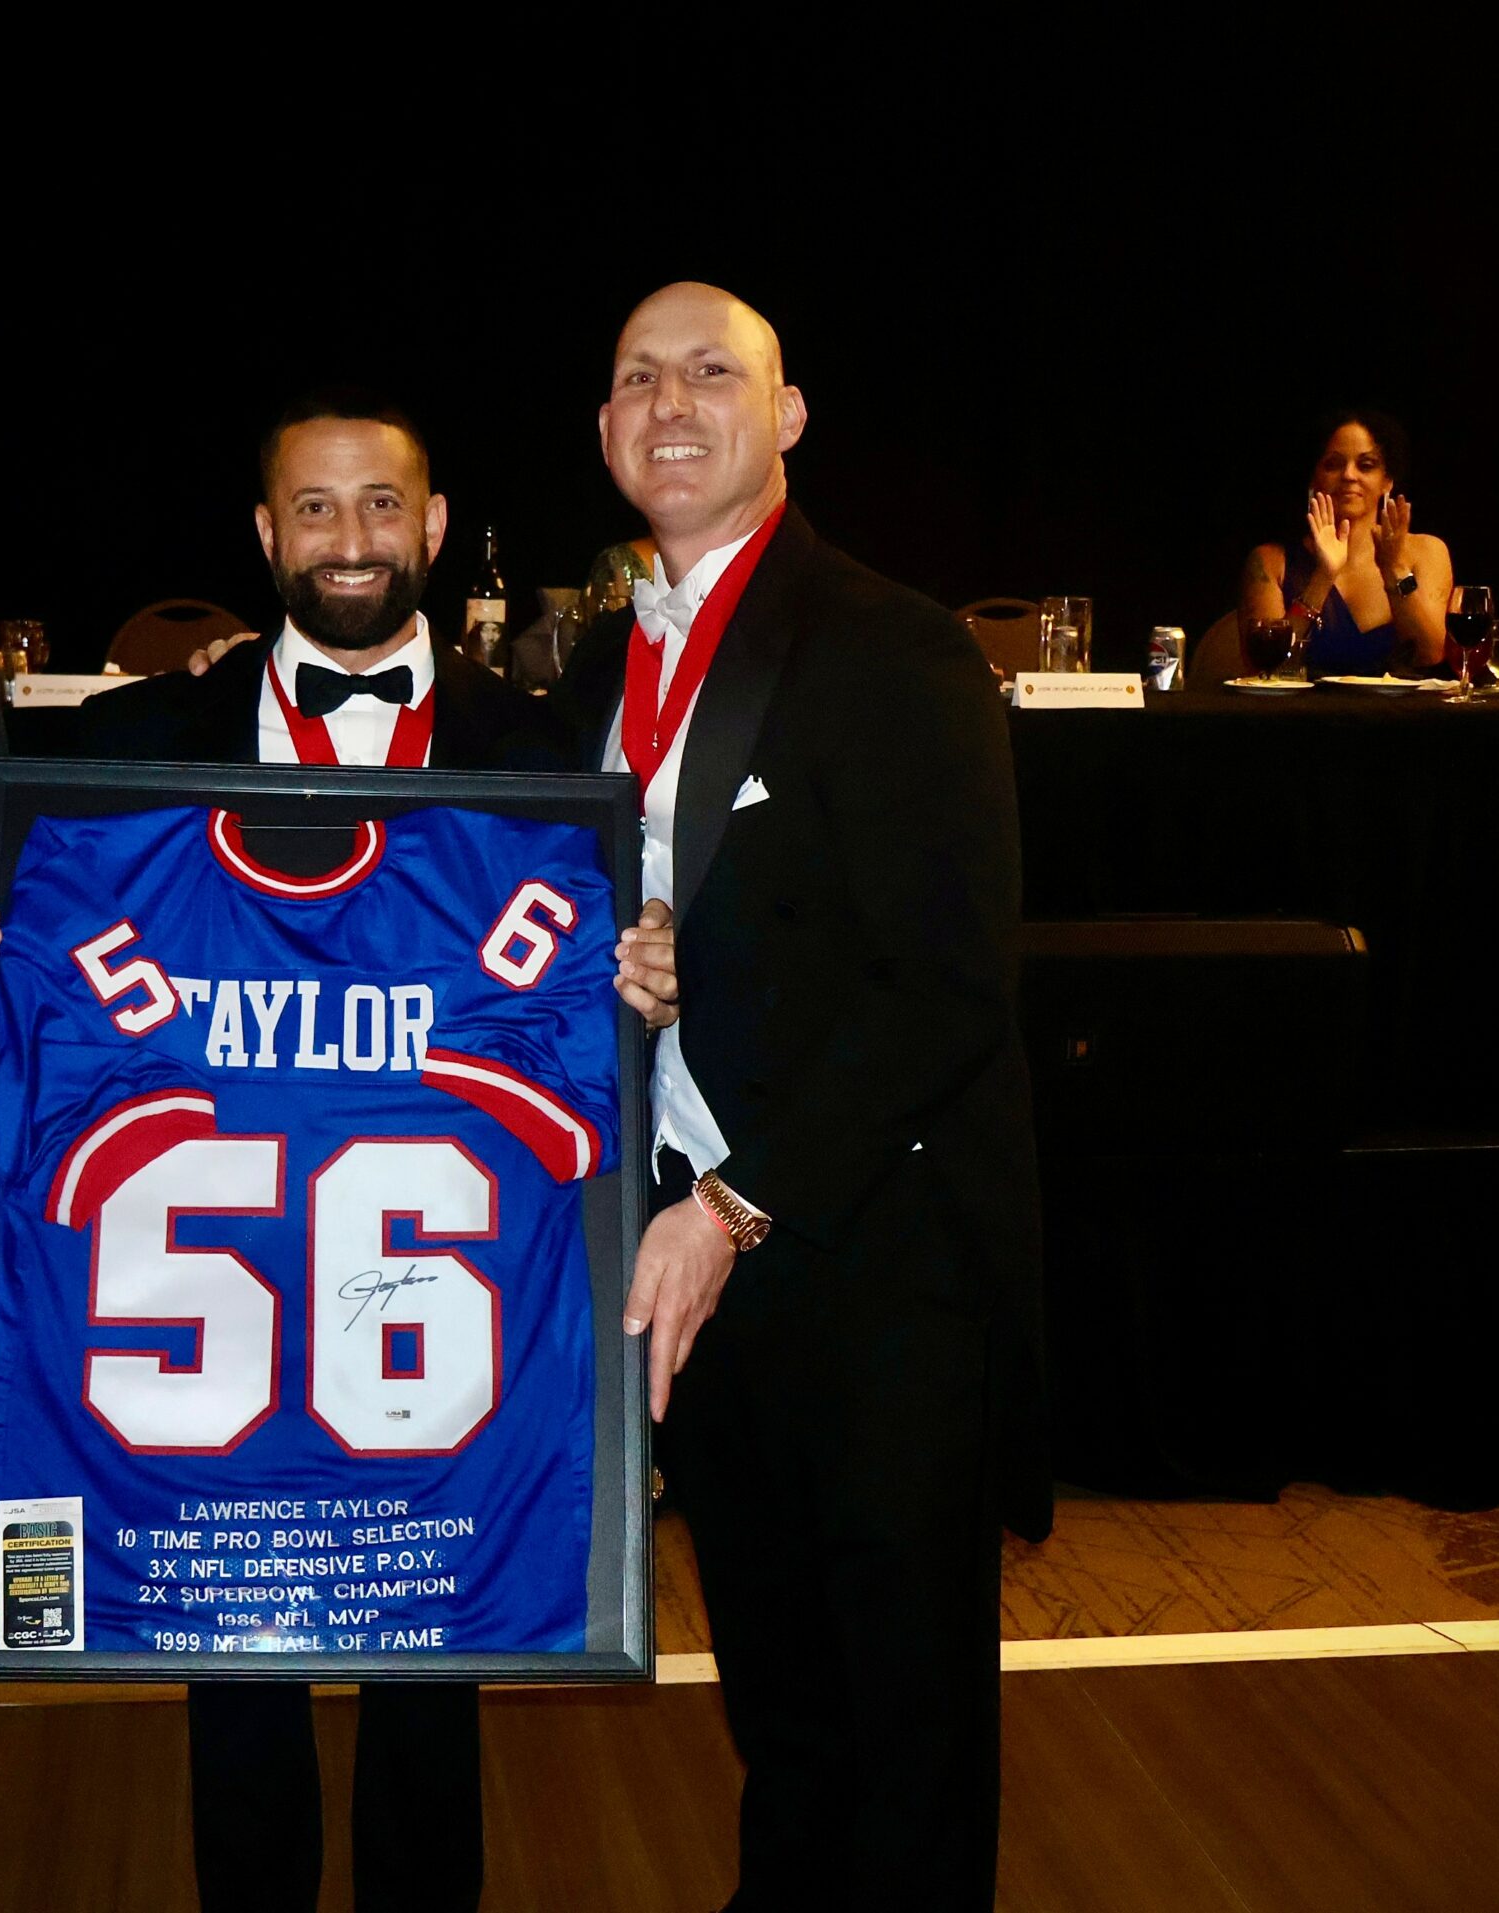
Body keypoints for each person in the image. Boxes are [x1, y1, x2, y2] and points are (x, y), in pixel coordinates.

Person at [0, 387, 675, 1913]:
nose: (352, 542)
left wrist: (647, 978)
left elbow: (607, 1017)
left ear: (436, 526)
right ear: (265, 536)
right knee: (229, 1647)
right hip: (216, 1303)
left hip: (424, 1313)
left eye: (382, 505)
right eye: (316, 510)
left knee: (436, 1649)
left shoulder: (543, 761)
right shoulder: (123, 751)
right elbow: (29, 977)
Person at [554, 282, 1047, 1908]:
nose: (671, 401)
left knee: (905, 1736)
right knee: (782, 1711)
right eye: (638, 376)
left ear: (791, 414)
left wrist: (737, 1197)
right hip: (705, 1271)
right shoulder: (591, 665)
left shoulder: (894, 644)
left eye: (714, 370)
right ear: (606, 425)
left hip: (873, 1262)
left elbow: (952, 992)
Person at [1239, 409, 1450, 677]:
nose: (1349, 475)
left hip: (1400, 716)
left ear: (1387, 480)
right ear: (1313, 478)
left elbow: (1429, 653)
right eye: (1333, 464)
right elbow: (1263, 669)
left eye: (1366, 465)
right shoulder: (1270, 561)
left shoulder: (1427, 551)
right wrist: (1323, 577)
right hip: (1299, 716)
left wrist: (1394, 568)